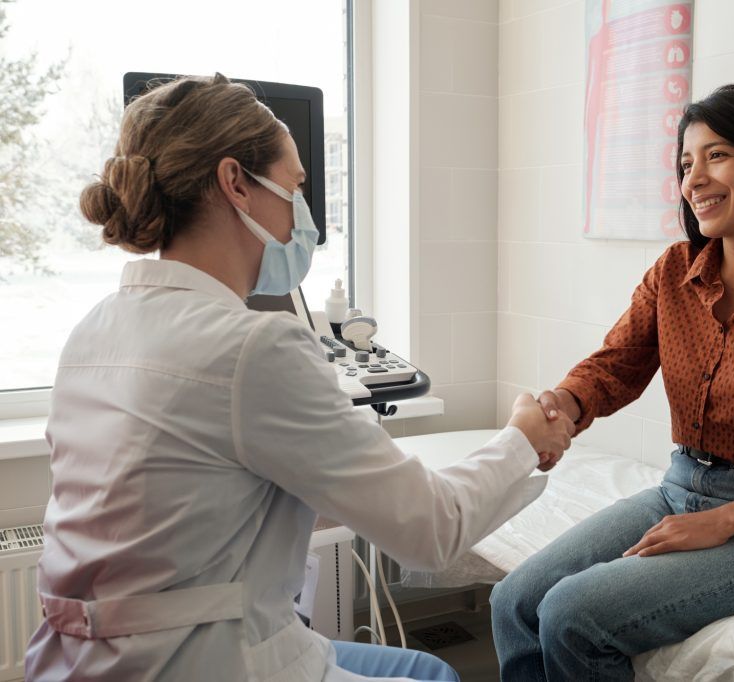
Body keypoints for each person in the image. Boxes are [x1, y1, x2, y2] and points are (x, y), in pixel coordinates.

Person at [24, 74, 575, 682]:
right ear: (236, 183)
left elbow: (184, 498)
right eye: (294, 187)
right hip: (199, 661)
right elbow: (430, 530)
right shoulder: (254, 345)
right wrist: (523, 438)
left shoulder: (95, 329)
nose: (303, 216)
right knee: (437, 675)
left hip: (73, 660)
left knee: (418, 668)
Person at [490, 84, 734, 681]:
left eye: (717, 155)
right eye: (685, 163)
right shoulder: (676, 270)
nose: (693, 179)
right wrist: (564, 404)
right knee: (513, 603)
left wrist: (723, 521)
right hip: (680, 488)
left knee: (572, 614)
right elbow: (617, 364)